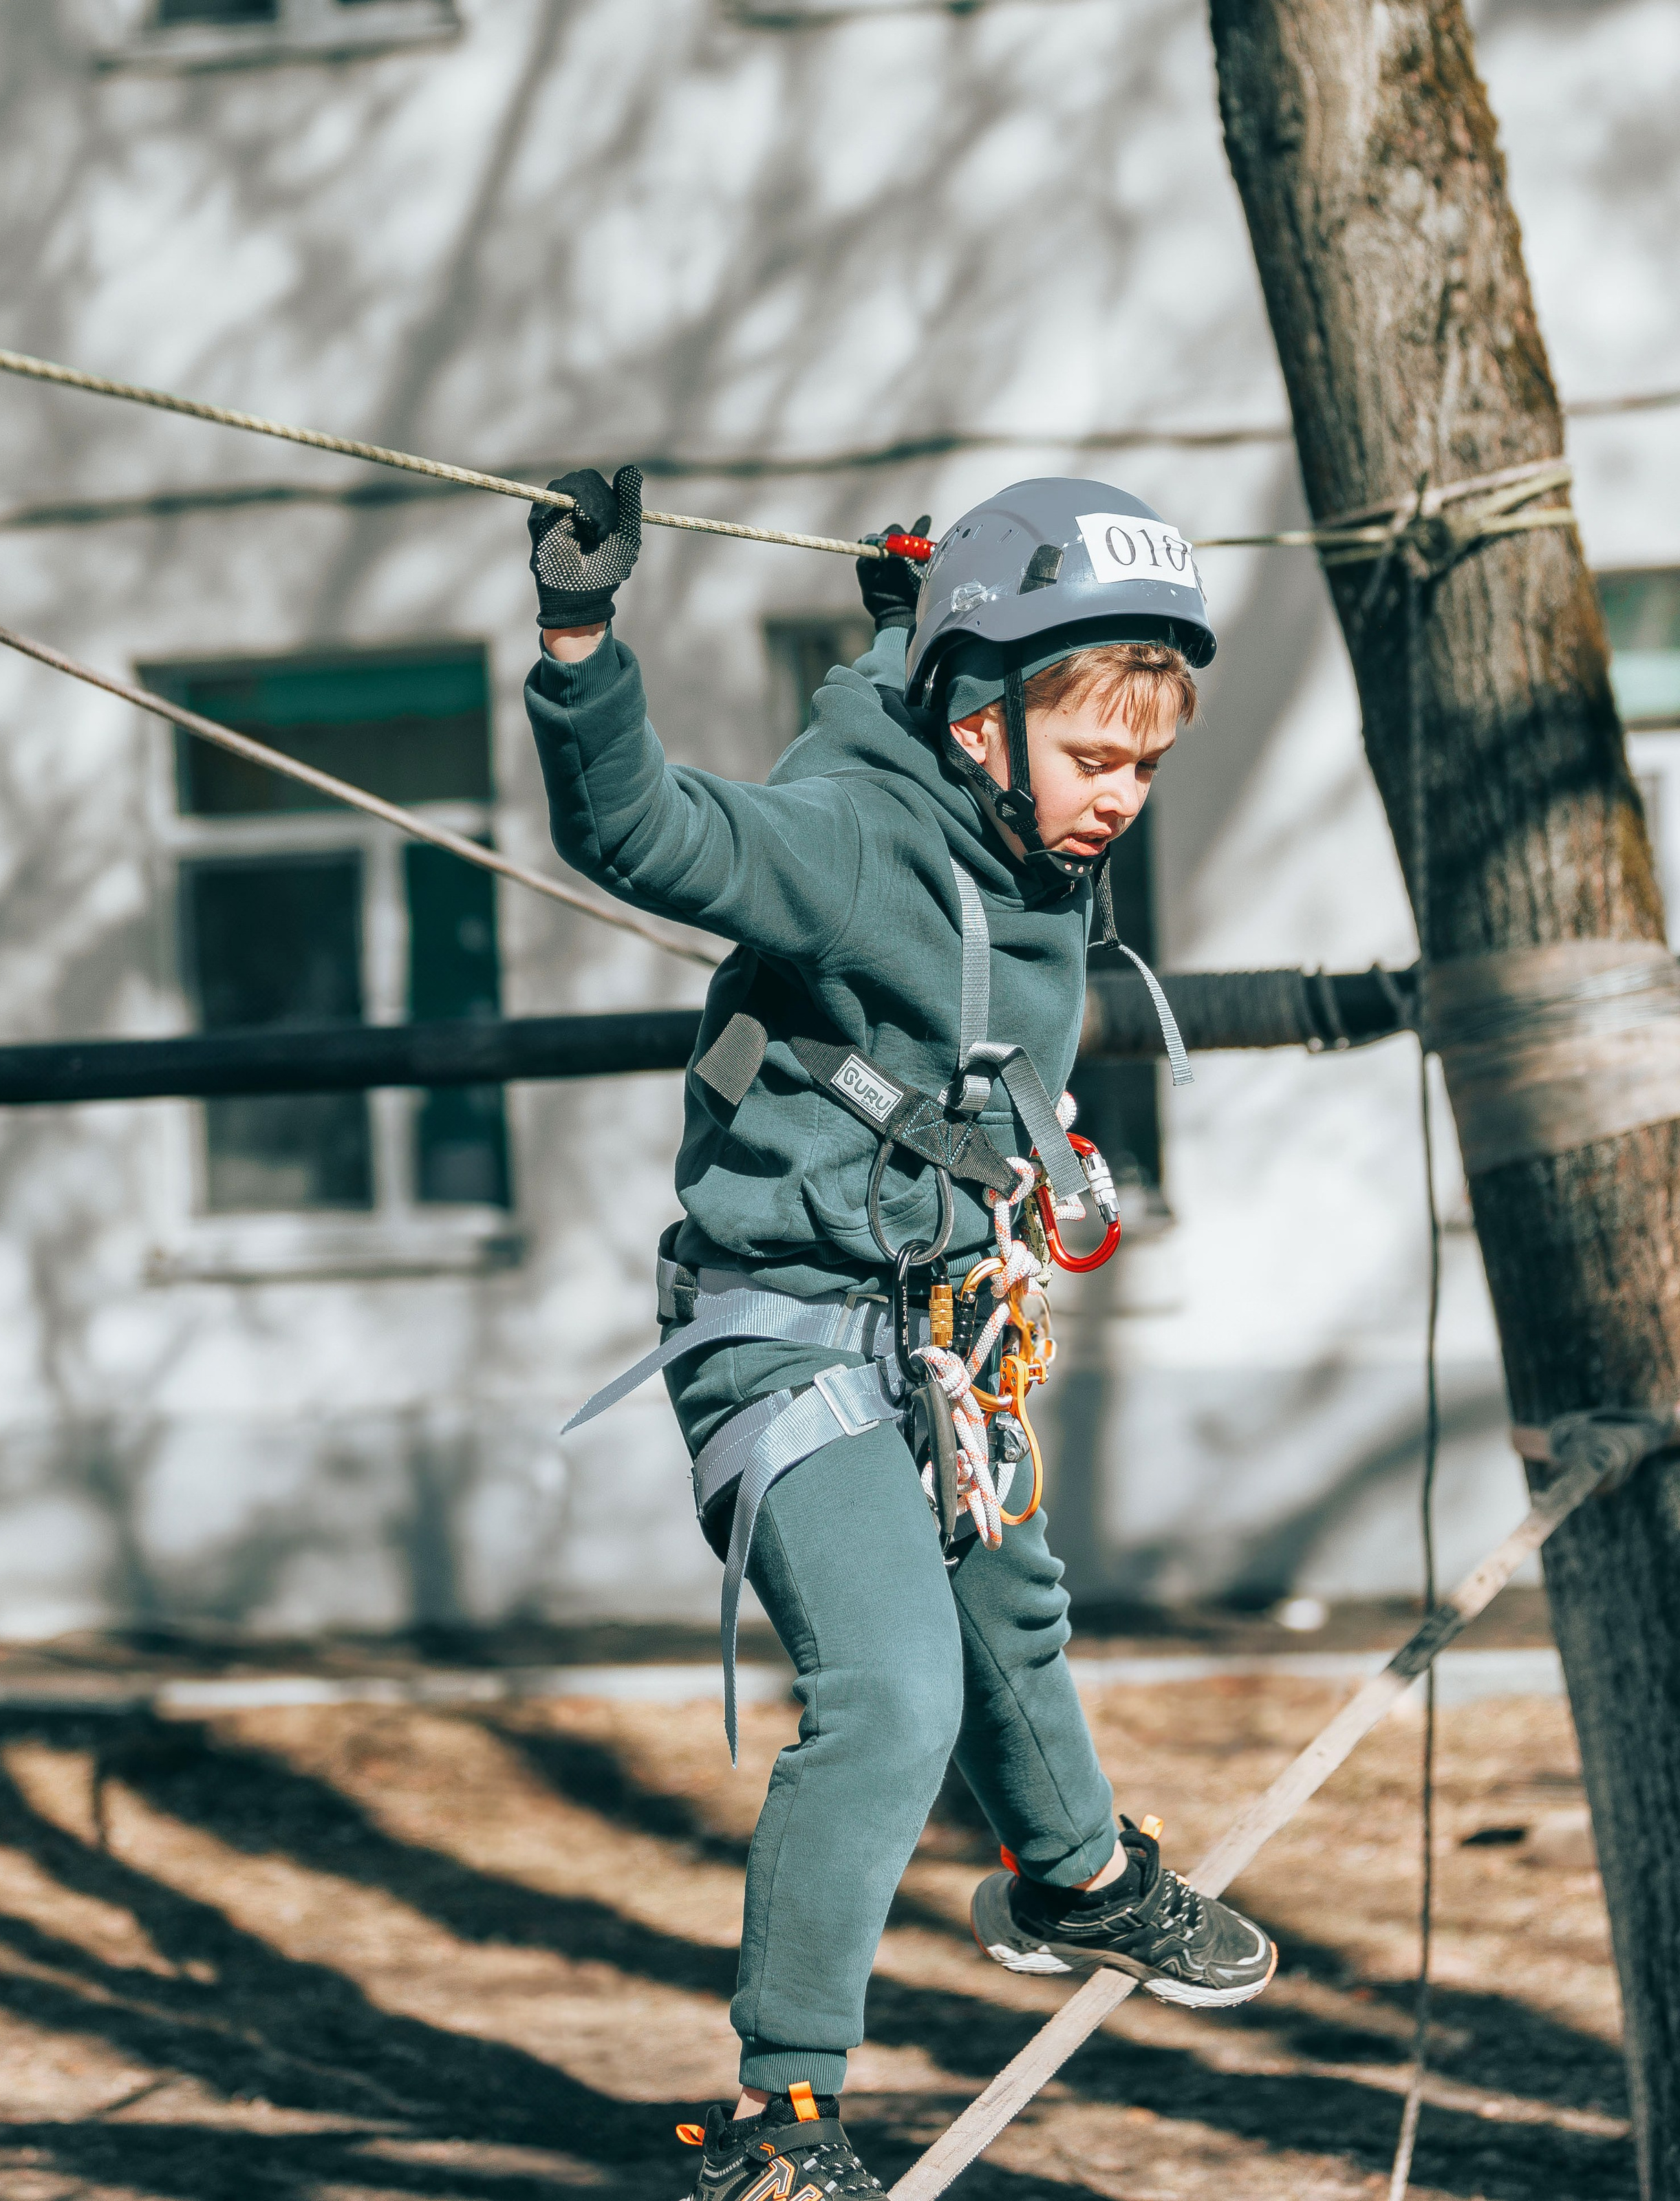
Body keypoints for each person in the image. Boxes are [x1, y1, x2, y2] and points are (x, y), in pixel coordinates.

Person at [524, 471, 1276, 2194]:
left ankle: (1074, 1879)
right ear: (982, 722)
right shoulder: (860, 847)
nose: (1120, 802)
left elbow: (887, 691)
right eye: (1097, 758)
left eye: (1145, 767)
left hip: (929, 1321)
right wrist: (582, 642)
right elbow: (649, 833)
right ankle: (777, 2122)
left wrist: (895, 607)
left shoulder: (994, 804)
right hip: (778, 1333)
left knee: (1012, 1606)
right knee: (889, 1691)